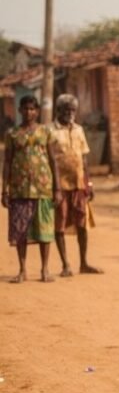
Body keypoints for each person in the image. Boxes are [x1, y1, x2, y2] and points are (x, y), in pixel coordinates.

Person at [1, 95, 60, 283]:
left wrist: (57, 188)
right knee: (20, 232)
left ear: (37, 111)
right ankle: (22, 270)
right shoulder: (12, 134)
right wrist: (4, 190)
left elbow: (53, 160)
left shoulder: (45, 132)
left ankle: (45, 270)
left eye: (32, 109)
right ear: (20, 110)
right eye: (25, 109)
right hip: (19, 190)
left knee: (44, 230)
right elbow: (7, 162)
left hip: (43, 188)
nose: (29, 112)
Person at [50, 94, 102, 277]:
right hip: (60, 186)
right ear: (58, 110)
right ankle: (65, 265)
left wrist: (89, 183)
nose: (70, 113)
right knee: (60, 224)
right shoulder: (51, 131)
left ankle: (84, 263)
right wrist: (54, 187)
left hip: (79, 184)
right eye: (66, 110)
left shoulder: (79, 130)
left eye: (73, 110)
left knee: (82, 224)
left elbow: (84, 159)